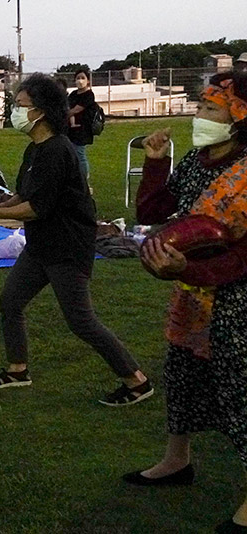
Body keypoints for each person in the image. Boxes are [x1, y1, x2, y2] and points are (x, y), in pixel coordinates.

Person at [0, 73, 153, 406]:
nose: (15, 111)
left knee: (80, 320)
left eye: (21, 105)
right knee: (11, 301)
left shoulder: (58, 151)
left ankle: (136, 381)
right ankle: (17, 369)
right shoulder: (34, 149)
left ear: (40, 111)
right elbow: (23, 194)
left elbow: (37, 208)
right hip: (41, 246)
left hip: (67, 248)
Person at [124, 72, 247, 534]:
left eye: (211, 110)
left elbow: (241, 258)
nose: (200, 116)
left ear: (239, 119)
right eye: (199, 107)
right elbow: (153, 213)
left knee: (240, 389)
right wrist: (156, 162)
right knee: (181, 374)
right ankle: (178, 461)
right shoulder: (198, 161)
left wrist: (186, 270)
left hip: (237, 300)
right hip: (194, 294)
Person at [67, 68, 96, 185]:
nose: (80, 81)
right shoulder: (73, 94)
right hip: (70, 129)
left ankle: (84, 179)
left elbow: (77, 109)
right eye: (78, 78)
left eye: (83, 78)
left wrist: (66, 114)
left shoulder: (89, 95)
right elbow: (67, 106)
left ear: (88, 81)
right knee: (71, 154)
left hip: (82, 129)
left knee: (80, 153)